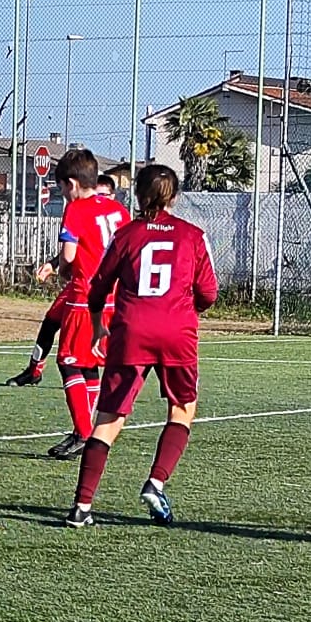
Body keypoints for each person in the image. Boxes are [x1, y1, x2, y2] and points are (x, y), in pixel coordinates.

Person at [66, 163, 217, 528]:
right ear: (175, 198)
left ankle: (82, 506)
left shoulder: (126, 235)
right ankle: (156, 482)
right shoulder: (193, 236)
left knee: (108, 420)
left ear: (137, 195)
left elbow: (98, 288)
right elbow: (209, 293)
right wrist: (184, 310)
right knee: (182, 409)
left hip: (131, 331)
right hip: (177, 333)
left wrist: (99, 325)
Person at [27, 151, 131, 460]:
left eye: (62, 188)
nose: (63, 194)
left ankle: (83, 433)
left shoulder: (75, 209)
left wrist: (61, 269)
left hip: (84, 297)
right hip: (113, 298)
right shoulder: (118, 210)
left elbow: (69, 256)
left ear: (72, 184)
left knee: (69, 362)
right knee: (89, 364)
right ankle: (86, 430)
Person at [6, 169, 125, 393]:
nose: (98, 198)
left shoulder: (98, 212)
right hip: (81, 282)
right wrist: (53, 264)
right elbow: (77, 248)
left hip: (95, 286)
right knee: (51, 321)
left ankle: (89, 403)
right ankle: (34, 370)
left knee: (80, 355)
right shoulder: (110, 212)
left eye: (103, 195)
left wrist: (63, 268)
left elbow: (84, 251)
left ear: (112, 196)